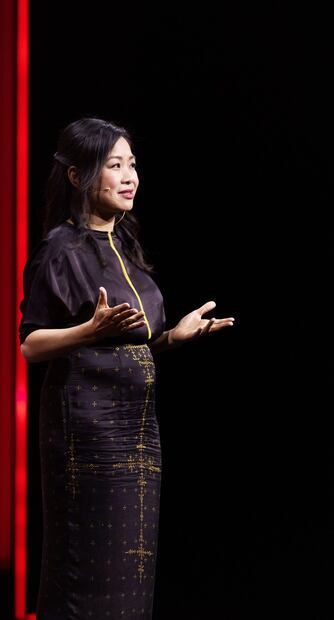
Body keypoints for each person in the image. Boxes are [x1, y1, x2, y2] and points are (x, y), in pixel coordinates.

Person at [18, 117, 234, 620]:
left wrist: (170, 340)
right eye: (115, 165)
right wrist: (87, 332)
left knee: (130, 576)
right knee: (83, 572)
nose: (130, 175)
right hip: (85, 434)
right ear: (78, 176)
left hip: (139, 436)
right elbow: (30, 345)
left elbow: (125, 346)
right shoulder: (61, 248)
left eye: (132, 164)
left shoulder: (128, 251)